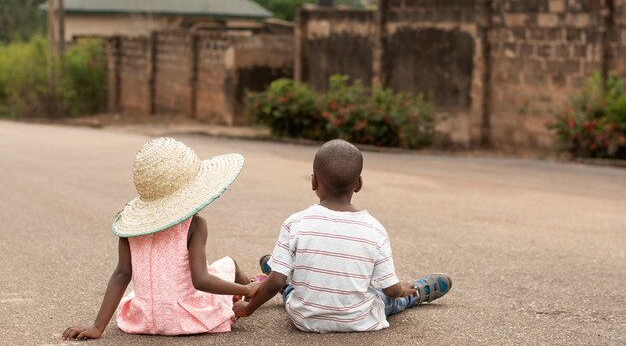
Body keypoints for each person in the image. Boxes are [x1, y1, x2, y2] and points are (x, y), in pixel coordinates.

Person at [234, 139, 452, 332]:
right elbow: (391, 289)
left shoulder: (295, 223)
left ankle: (280, 268)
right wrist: (402, 289)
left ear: (314, 182)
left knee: (285, 283)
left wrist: (248, 309)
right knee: (388, 300)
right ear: (359, 184)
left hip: (305, 319)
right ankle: (416, 294)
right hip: (358, 319)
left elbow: (273, 284)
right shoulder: (375, 229)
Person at [63, 137, 259, 340]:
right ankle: (252, 287)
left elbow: (122, 274)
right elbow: (201, 280)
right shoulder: (196, 225)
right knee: (228, 264)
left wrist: (97, 327)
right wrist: (245, 288)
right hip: (186, 318)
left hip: (144, 319)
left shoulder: (130, 226)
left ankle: (246, 286)